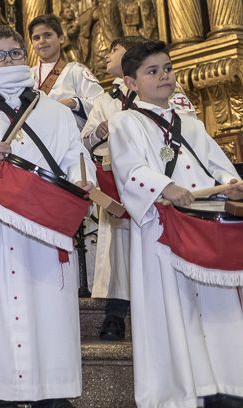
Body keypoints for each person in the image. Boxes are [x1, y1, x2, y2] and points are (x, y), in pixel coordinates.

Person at [0, 25, 93, 407]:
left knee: (49, 310)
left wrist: (82, 179)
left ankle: (52, 393)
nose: (7, 60)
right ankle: (2, 393)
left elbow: (76, 154)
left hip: (45, 226)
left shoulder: (55, 111)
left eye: (14, 53)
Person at [109, 40, 243, 408]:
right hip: (163, 232)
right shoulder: (126, 122)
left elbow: (218, 166)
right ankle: (181, 390)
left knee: (216, 306)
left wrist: (231, 182)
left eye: (167, 68)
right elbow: (130, 169)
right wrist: (166, 187)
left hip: (203, 231)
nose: (164, 76)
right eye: (152, 71)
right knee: (173, 306)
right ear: (131, 83)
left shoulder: (191, 124)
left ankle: (226, 382)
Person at [80, 36, 196, 341]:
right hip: (118, 179)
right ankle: (116, 314)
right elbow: (84, 141)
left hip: (165, 179)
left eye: (114, 50)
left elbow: (189, 134)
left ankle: (170, 312)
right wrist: (98, 133)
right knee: (119, 249)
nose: (107, 54)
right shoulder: (105, 100)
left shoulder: (172, 94)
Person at [28, 14, 104, 128]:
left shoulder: (76, 70)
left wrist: (73, 103)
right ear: (32, 44)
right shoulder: (27, 76)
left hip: (69, 136)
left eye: (47, 35)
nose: (42, 41)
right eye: (36, 38)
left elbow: (100, 104)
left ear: (61, 38)